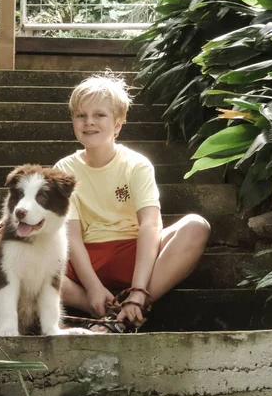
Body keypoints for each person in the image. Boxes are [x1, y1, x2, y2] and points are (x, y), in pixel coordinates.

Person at [54, 75, 210, 331]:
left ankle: (134, 306)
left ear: (117, 124)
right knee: (18, 253)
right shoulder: (64, 169)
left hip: (134, 256)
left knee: (196, 226)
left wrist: (138, 290)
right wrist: (92, 287)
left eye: (99, 115)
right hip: (85, 265)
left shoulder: (136, 164)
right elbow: (71, 238)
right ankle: (105, 313)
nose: (89, 121)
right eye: (81, 115)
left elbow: (150, 225)